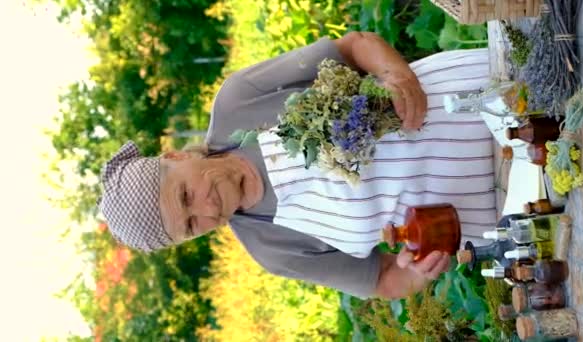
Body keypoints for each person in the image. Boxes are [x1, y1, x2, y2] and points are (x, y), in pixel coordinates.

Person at [99, 32, 496, 299]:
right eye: (190, 227)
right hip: (502, 204)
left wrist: (395, 74)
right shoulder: (270, 248)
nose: (206, 211)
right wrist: (417, 272)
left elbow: (353, 47)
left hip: (477, 94)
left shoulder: (238, 102)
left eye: (185, 196)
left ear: (176, 158)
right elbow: (382, 279)